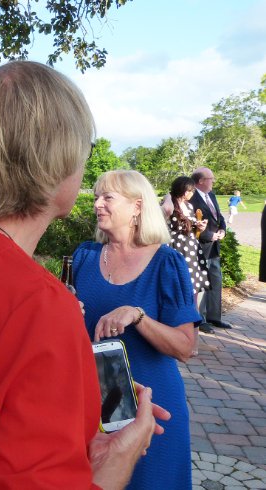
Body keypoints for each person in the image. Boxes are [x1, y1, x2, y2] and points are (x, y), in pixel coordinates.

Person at [0, 61, 167, 489]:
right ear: (55, 159)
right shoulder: (38, 301)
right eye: (84, 148)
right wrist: (123, 454)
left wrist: (71, 397)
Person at [73, 169, 200, 489]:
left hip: (152, 406)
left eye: (108, 197)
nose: (97, 204)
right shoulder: (84, 256)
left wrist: (138, 316)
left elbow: (186, 347)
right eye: (96, 196)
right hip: (92, 405)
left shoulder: (165, 262)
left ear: (138, 207)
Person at [166, 176, 211, 341]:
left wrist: (200, 226)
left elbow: (191, 227)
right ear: (181, 189)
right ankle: (174, 334)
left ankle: (193, 340)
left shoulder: (190, 206)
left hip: (191, 251)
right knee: (176, 289)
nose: (191, 194)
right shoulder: (169, 203)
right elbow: (167, 221)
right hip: (176, 250)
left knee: (192, 291)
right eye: (189, 190)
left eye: (192, 191)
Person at [189, 167, 232, 330]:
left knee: (216, 280)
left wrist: (222, 230)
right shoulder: (191, 198)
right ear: (201, 181)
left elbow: (219, 217)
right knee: (201, 284)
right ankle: (201, 320)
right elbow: (190, 222)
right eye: (211, 178)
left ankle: (215, 317)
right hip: (199, 247)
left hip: (214, 248)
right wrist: (208, 235)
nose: (213, 181)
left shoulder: (211, 196)